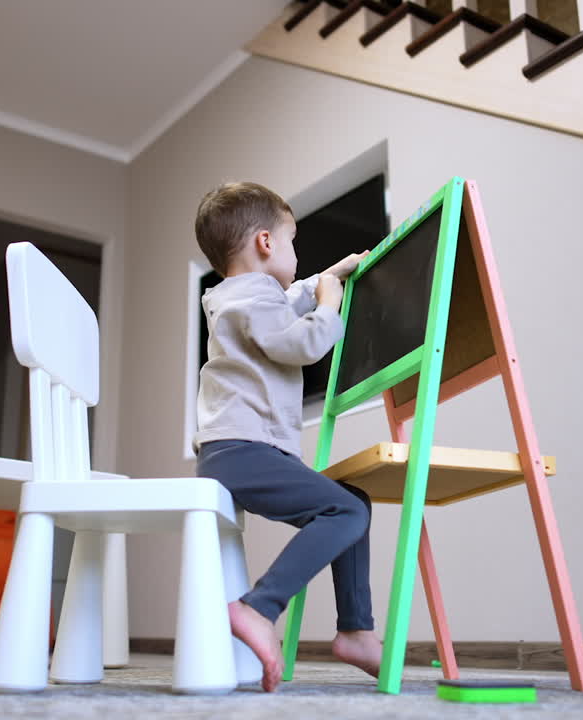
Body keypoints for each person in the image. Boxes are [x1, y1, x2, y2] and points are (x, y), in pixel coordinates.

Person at [192, 181, 377, 692]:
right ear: (267, 244)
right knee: (346, 511)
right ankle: (259, 606)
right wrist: (330, 302)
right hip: (243, 452)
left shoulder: (239, 297)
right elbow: (303, 342)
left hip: (234, 452)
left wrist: (327, 276)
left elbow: (287, 299)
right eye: (293, 242)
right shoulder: (253, 299)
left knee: (351, 501)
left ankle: (357, 631)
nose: (298, 255)